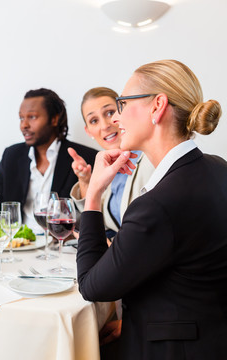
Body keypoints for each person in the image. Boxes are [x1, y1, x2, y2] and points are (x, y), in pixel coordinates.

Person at [76, 60, 227, 360]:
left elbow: (92, 285)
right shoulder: (218, 167)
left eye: (121, 103)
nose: (116, 118)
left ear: (157, 106)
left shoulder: (157, 204)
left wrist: (92, 194)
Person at [0, 88, 97, 232]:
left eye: (32, 117)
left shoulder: (85, 157)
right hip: (19, 243)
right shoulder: (11, 155)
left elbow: (91, 216)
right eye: (21, 118)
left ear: (54, 119)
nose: (24, 125)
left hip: (62, 245)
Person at [68, 87, 154, 239]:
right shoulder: (109, 166)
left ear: (124, 112)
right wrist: (85, 180)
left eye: (109, 112)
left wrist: (105, 246)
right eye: (94, 121)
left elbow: (147, 233)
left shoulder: (151, 160)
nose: (105, 125)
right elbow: (97, 220)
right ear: (88, 132)